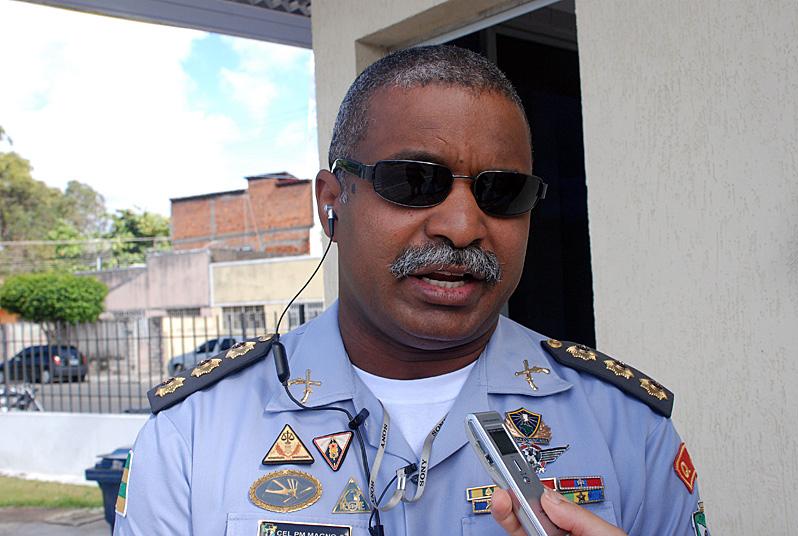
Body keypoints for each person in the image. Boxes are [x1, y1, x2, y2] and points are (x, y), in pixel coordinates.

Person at [113, 45, 707, 536]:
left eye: (501, 192)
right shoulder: (193, 436)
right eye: (414, 181)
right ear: (331, 202)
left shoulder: (628, 430)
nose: (463, 226)